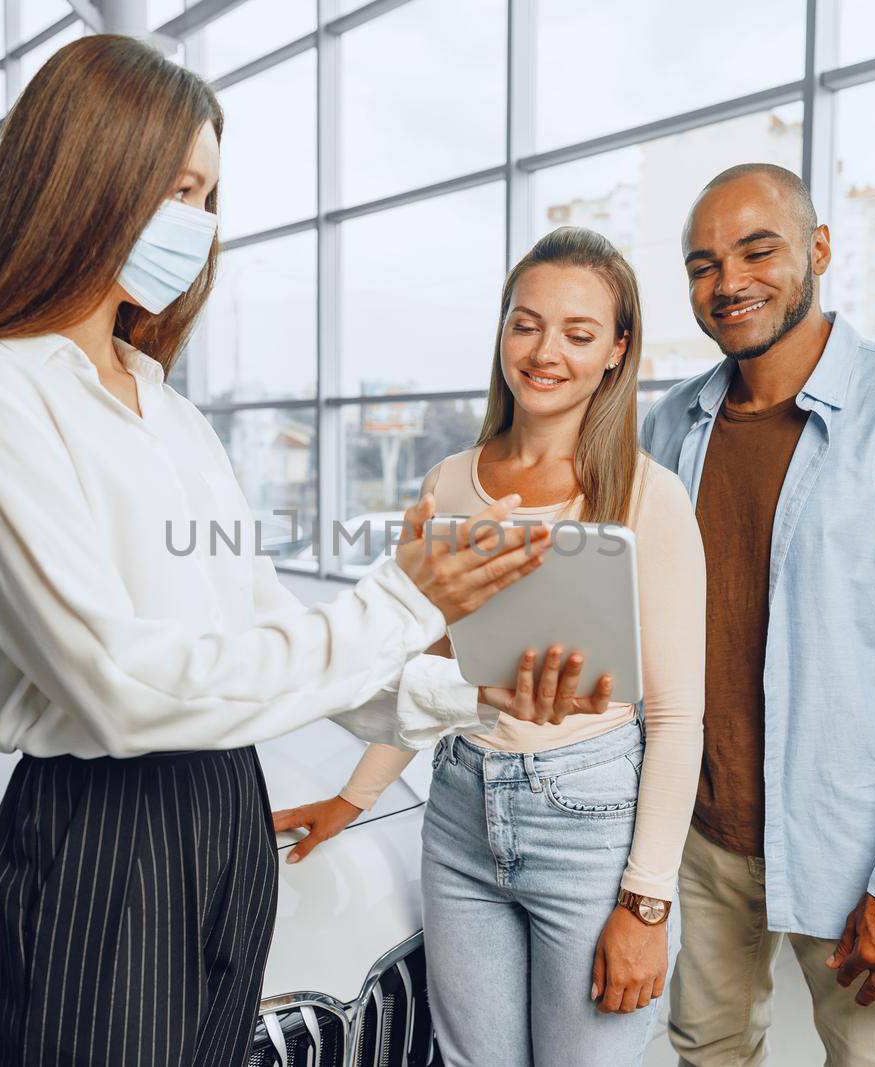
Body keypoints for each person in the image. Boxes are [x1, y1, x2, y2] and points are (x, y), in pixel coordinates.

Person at [0, 36, 605, 1067]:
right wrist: (404, 596)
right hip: (107, 832)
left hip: (225, 806)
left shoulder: (164, 404)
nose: (198, 223)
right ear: (90, 175)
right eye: (178, 185)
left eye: (208, 195)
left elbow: (267, 638)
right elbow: (119, 687)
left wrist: (480, 698)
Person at [272, 226, 707, 1067]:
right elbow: (429, 669)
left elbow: (681, 717)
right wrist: (352, 798)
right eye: (526, 323)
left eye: (579, 334)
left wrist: (647, 905)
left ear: (618, 351)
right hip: (462, 810)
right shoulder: (448, 481)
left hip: (590, 820)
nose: (546, 352)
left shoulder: (650, 496)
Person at [640, 163, 875, 1067]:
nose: (728, 282)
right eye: (703, 263)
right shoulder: (670, 426)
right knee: (708, 1052)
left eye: (757, 249)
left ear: (818, 250)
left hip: (853, 846)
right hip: (701, 835)